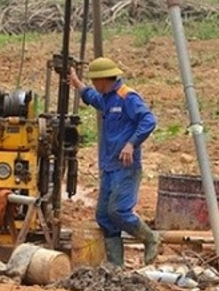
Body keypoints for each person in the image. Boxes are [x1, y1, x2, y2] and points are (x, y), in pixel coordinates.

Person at [68, 57, 159, 267]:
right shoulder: (107, 97)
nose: (94, 85)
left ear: (101, 79)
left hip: (125, 166)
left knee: (118, 210)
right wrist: (77, 84)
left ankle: (150, 238)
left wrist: (131, 144)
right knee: (104, 216)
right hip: (109, 166)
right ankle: (116, 266)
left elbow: (148, 120)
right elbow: (92, 97)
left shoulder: (127, 96)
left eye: (94, 81)